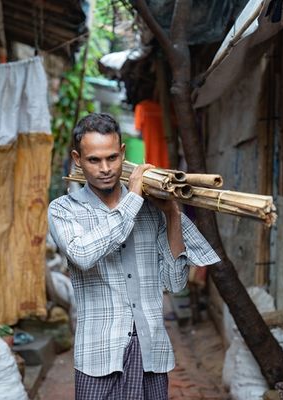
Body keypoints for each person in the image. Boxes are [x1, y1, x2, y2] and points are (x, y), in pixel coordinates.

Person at [48, 113, 220, 400]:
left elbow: (175, 283)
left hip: (152, 352)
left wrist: (172, 214)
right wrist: (134, 200)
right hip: (98, 356)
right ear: (77, 159)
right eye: (94, 160)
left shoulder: (151, 210)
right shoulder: (64, 210)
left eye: (112, 158)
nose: (105, 168)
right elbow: (83, 255)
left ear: (123, 154)